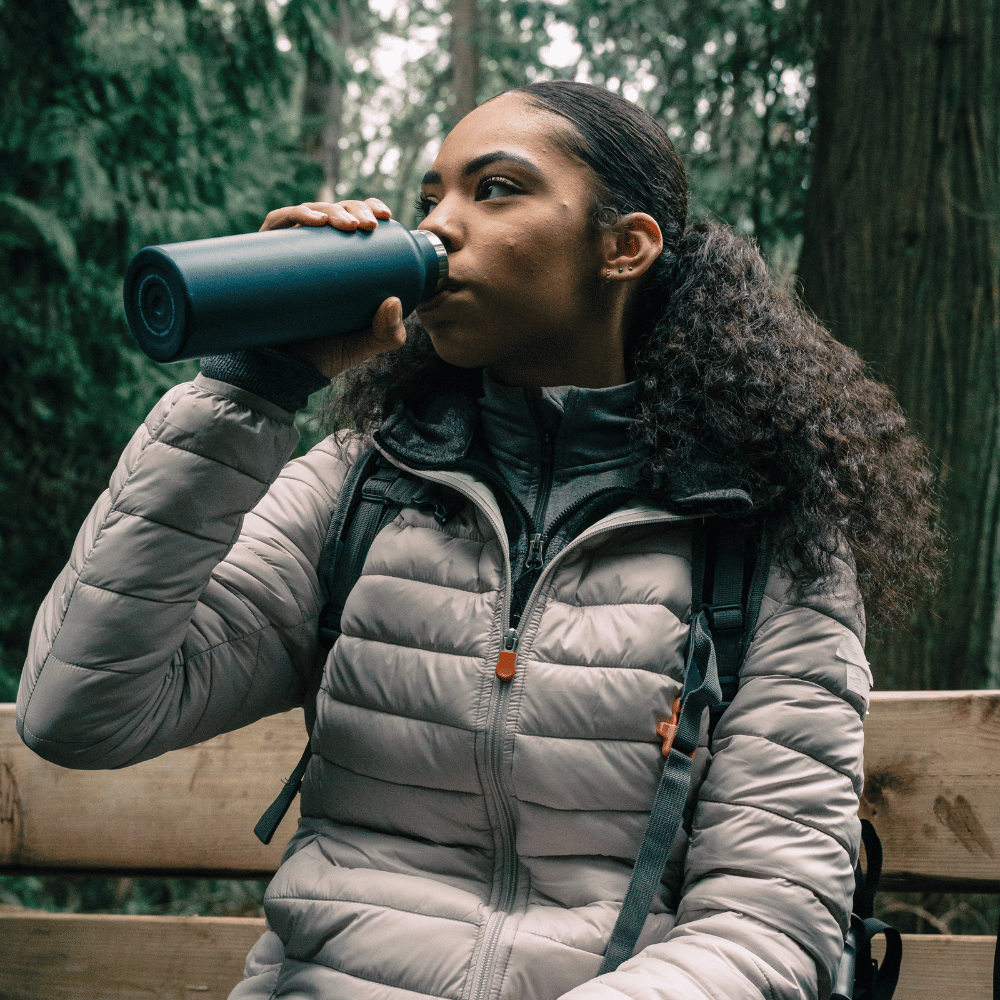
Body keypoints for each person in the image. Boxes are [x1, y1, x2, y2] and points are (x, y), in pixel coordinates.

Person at [16, 81, 939, 1000]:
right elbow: (79, 712)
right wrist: (252, 387)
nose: (438, 225)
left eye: (494, 189)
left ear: (624, 247)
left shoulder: (761, 538)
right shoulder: (360, 487)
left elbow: (767, 925)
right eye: (430, 198)